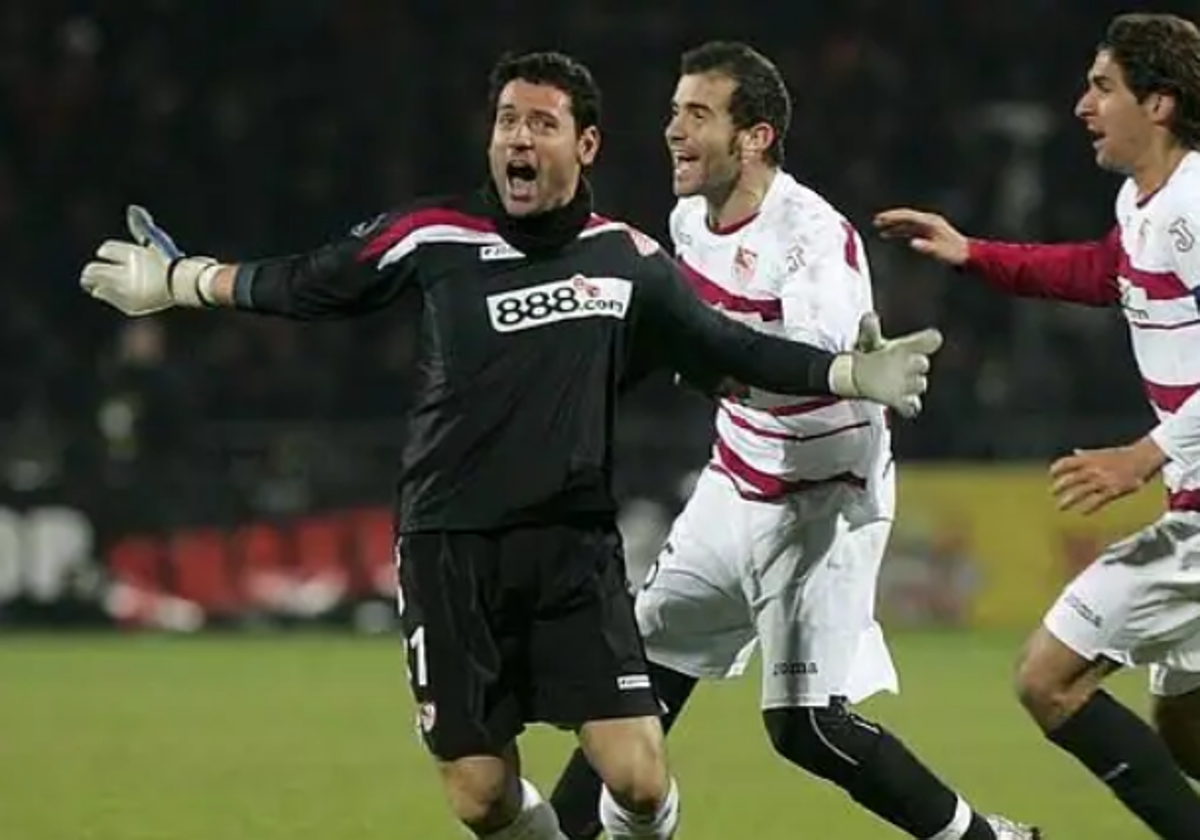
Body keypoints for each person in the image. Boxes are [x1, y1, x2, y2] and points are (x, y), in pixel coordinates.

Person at [80, 51, 943, 840]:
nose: (517, 140)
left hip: (572, 551)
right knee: (482, 797)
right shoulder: (434, 235)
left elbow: (727, 347)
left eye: (540, 124)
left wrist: (846, 374)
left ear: (587, 144)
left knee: (640, 784)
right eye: (506, 122)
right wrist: (184, 280)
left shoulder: (627, 258)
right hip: (449, 548)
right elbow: (310, 283)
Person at [547, 41, 1037, 840]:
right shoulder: (687, 221)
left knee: (804, 728)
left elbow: (809, 364)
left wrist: (738, 368)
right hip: (733, 479)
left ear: (756, 137)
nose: (671, 129)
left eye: (696, 114)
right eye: (673, 110)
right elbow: (702, 345)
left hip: (822, 499)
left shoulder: (813, 238)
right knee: (631, 686)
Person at [876, 13, 1200, 840]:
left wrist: (1146, 453)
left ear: (1159, 104)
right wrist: (974, 252)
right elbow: (1102, 271)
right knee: (1184, 732)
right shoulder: (1145, 203)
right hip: (1188, 502)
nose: (1082, 106)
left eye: (1102, 88)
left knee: (1047, 678)